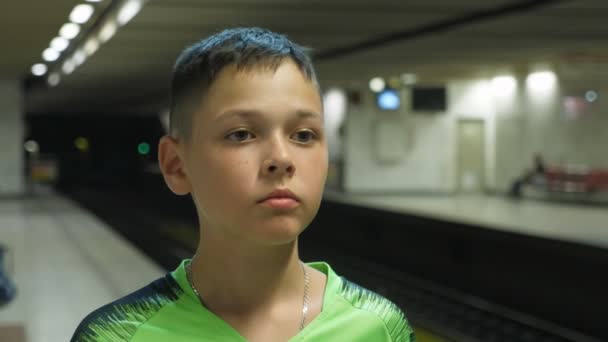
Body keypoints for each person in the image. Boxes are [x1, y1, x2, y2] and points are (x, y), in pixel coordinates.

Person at [71, 27, 415, 342]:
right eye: (241, 134)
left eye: (304, 135)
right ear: (176, 166)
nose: (281, 158)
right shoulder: (115, 336)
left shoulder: (379, 328)